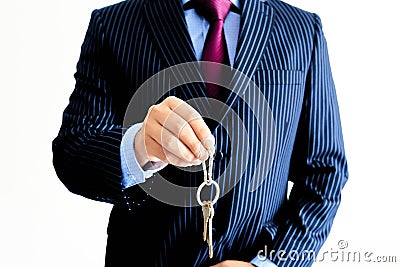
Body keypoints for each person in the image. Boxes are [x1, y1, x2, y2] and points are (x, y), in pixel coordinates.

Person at [52, 0, 348, 266]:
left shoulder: (301, 30)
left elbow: (326, 170)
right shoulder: (114, 24)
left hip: (258, 253)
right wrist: (140, 146)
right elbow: (73, 152)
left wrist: (270, 265)